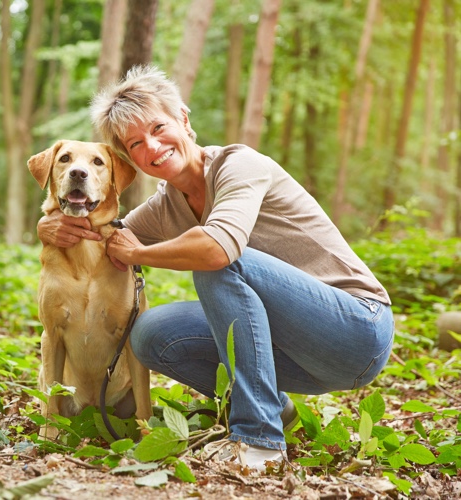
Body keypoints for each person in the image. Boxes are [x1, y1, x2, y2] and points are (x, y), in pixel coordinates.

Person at [36, 65, 394, 471]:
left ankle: (260, 440)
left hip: (356, 329)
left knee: (217, 262)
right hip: (297, 353)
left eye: (158, 128)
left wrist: (139, 255)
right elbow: (105, 235)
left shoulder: (239, 165)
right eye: (136, 143)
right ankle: (276, 407)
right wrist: (48, 224)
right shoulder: (166, 204)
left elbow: (216, 249)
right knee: (152, 335)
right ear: (129, 157)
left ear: (184, 120)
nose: (152, 147)